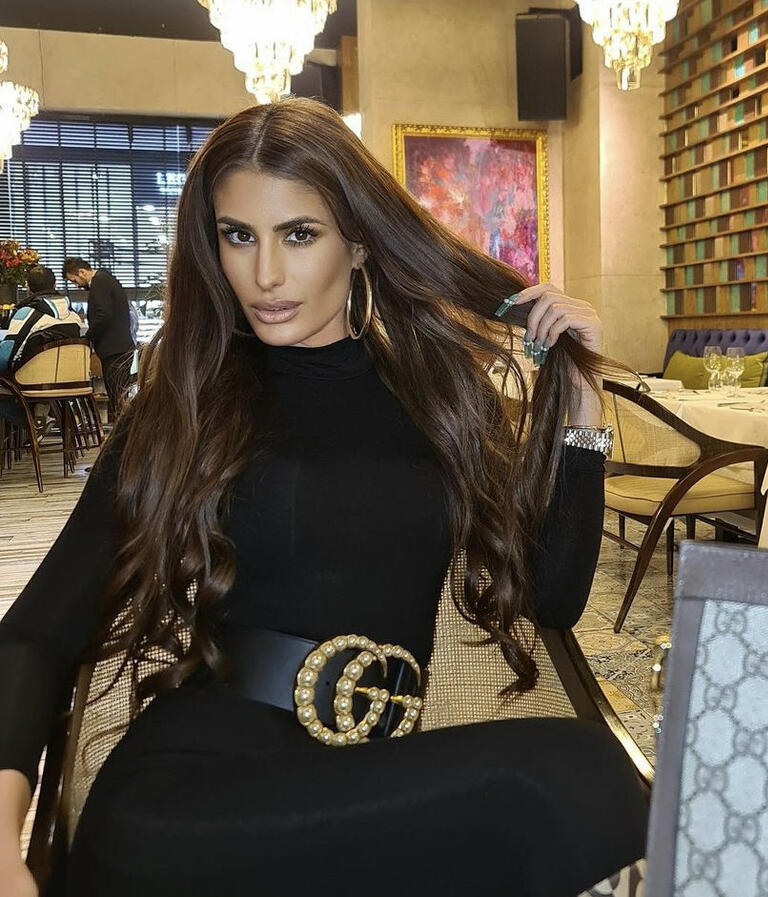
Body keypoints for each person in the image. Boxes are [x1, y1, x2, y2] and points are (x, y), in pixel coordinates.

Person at [0, 98, 646, 897]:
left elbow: (552, 598)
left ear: (361, 241)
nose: (265, 274)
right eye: (239, 236)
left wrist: (580, 408)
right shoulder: (186, 407)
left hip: (365, 784)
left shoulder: (443, 400)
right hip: (191, 804)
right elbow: (34, 633)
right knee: (574, 776)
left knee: (586, 778)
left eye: (298, 234)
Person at [0, 266, 84, 430]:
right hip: (69, 380)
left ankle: (32, 423)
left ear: (28, 286)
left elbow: (5, 357)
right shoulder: (74, 316)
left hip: (32, 381)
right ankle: (43, 416)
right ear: (54, 284)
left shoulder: (26, 313)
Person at [62, 257, 136, 423]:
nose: (76, 286)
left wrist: (88, 338)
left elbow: (103, 315)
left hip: (114, 348)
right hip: (119, 346)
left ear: (82, 272)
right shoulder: (106, 278)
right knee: (120, 394)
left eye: (74, 281)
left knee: (118, 396)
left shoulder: (99, 281)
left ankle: (123, 432)